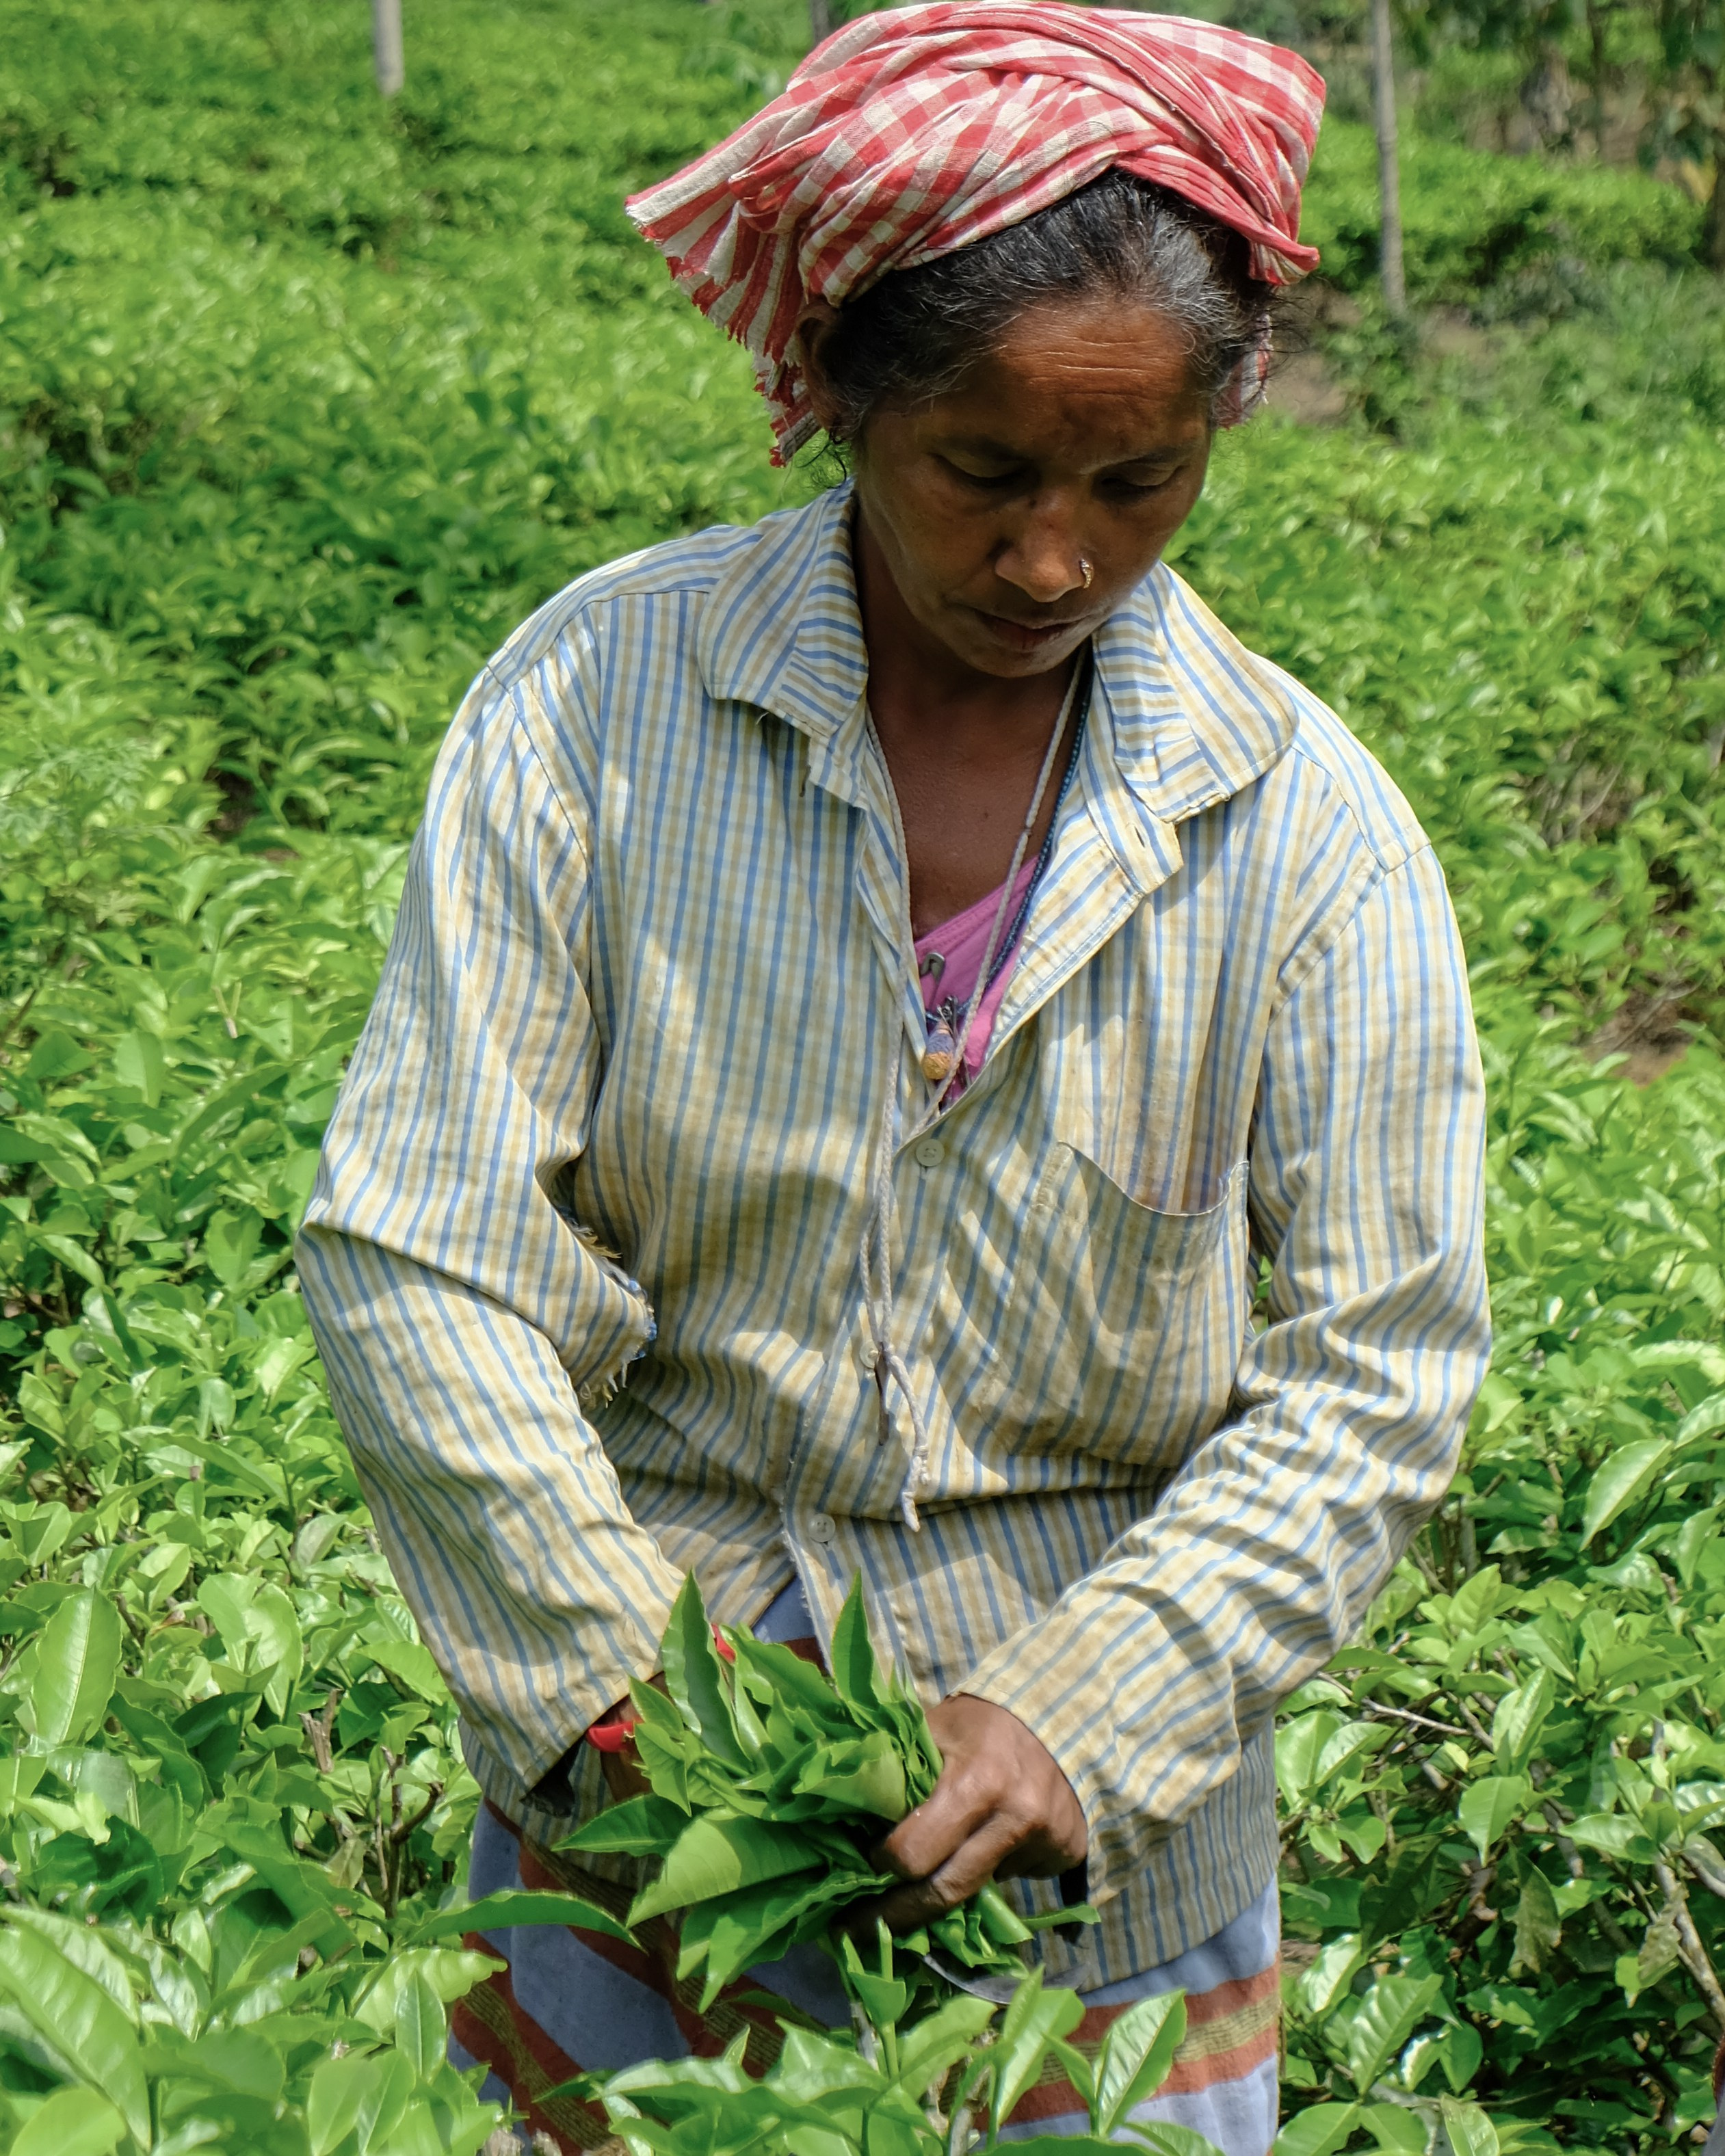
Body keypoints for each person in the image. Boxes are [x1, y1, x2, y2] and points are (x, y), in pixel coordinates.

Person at [295, 6, 1491, 2150]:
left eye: (1136, 481)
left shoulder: (1306, 832)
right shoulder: (599, 705)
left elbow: (1375, 1371)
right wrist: (625, 1687)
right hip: (644, 1821)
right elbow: (423, 1245)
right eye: (983, 471)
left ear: (1222, 426)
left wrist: (1080, 1712)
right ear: (842, 395)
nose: (1054, 558)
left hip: (1104, 1889)